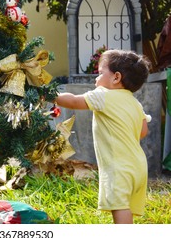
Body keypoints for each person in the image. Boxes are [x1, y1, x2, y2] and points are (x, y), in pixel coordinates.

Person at [54, 49, 151, 224]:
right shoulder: (135, 103)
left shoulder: (104, 95)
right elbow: (143, 131)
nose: (96, 79)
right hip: (139, 165)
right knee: (126, 206)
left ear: (116, 78)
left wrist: (50, 95)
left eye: (99, 73)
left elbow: (75, 101)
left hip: (119, 166)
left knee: (119, 207)